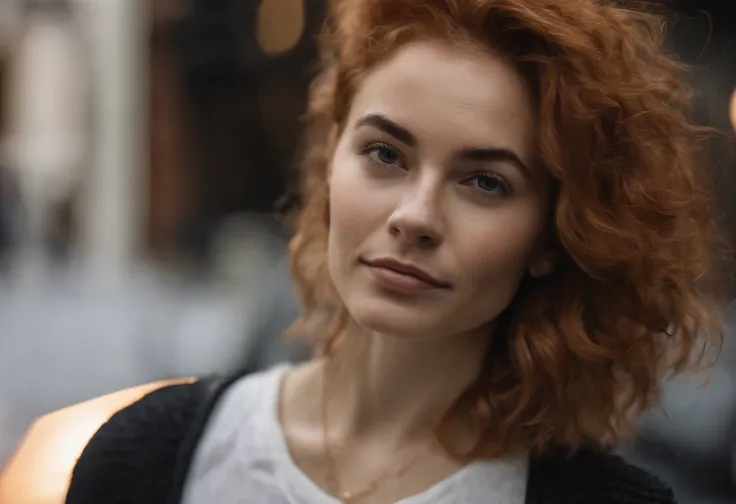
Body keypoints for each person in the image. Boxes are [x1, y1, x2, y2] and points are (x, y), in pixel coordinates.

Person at [12, 0, 728, 503]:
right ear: (332, 159)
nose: (414, 217)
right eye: (385, 154)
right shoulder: (150, 458)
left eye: (484, 181)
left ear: (551, 235)